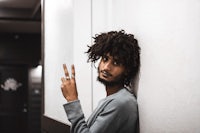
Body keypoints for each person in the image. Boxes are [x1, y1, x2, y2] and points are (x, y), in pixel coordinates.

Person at [61, 30, 141, 133]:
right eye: (105, 59)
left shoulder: (121, 103)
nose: (107, 67)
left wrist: (72, 100)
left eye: (116, 63)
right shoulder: (114, 98)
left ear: (127, 70)